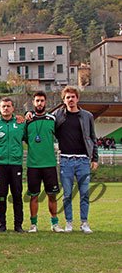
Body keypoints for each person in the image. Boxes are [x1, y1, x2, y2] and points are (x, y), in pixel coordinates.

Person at [54, 86, 98, 233]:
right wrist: (28, 114)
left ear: (77, 98)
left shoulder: (87, 116)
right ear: (63, 100)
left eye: (73, 97)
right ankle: (69, 222)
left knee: (84, 193)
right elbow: (44, 119)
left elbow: (93, 137)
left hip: (83, 160)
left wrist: (94, 158)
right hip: (65, 160)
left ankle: (84, 223)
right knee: (67, 194)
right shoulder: (58, 115)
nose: (70, 100)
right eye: (68, 97)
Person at [24, 91, 63, 233]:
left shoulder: (52, 119)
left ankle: (55, 223)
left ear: (45, 102)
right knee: (33, 195)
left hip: (49, 164)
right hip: (33, 165)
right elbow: (23, 138)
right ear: (33, 103)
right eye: (37, 101)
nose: (39, 103)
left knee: (52, 195)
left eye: (42, 100)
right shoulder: (28, 120)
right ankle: (33, 224)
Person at [0, 98, 26, 233]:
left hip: (15, 165)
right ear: (0, 108)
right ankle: (1, 224)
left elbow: (29, 138)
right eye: (3, 106)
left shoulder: (21, 124)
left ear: (13, 108)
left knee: (17, 195)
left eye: (8, 106)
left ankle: (18, 225)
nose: (6, 108)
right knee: (1, 196)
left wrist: (28, 115)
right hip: (0, 165)